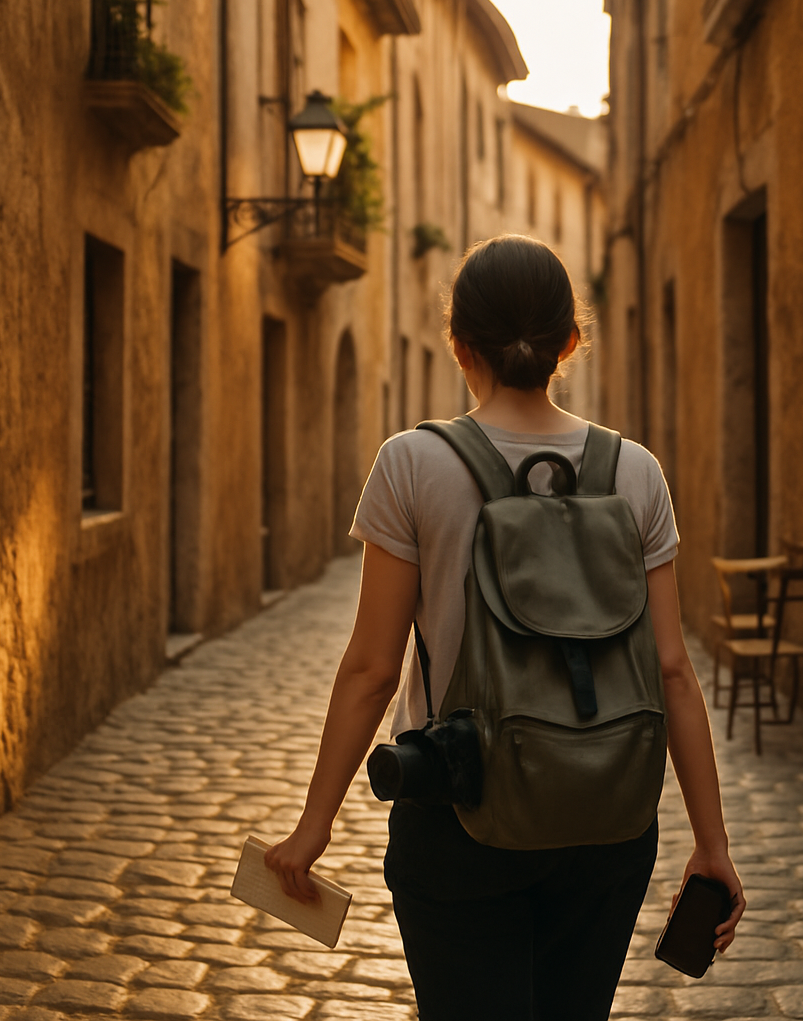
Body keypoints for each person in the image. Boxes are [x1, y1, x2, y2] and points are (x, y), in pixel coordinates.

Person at [265, 234, 744, 1019]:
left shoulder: (411, 465)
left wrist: (313, 827)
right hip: (607, 819)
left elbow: (371, 668)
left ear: (458, 343)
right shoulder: (637, 473)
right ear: (570, 343)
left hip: (460, 815)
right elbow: (672, 671)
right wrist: (712, 843)